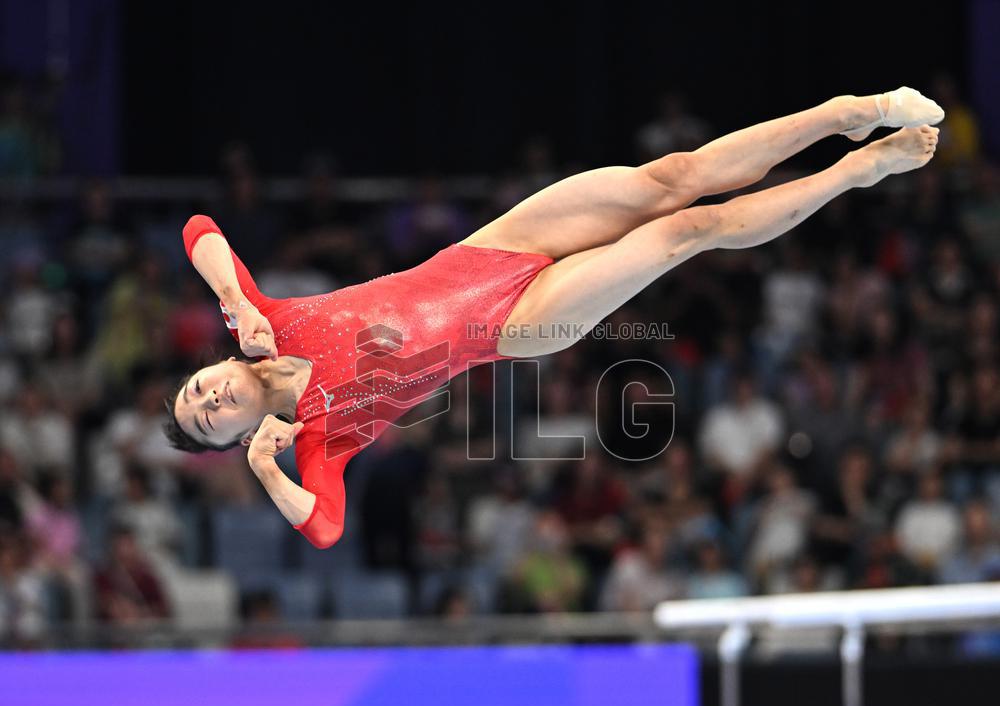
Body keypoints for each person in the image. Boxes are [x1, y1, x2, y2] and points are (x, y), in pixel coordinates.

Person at [165, 88, 943, 549]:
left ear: (213, 367)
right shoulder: (318, 443)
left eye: (198, 390)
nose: (209, 401)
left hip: (487, 248)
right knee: (683, 233)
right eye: (208, 423)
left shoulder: (262, 320)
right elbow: (326, 529)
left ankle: (853, 111)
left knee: (672, 179)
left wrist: (235, 300)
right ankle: (858, 169)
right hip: (518, 326)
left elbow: (200, 226)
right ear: (232, 440)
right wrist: (270, 468)